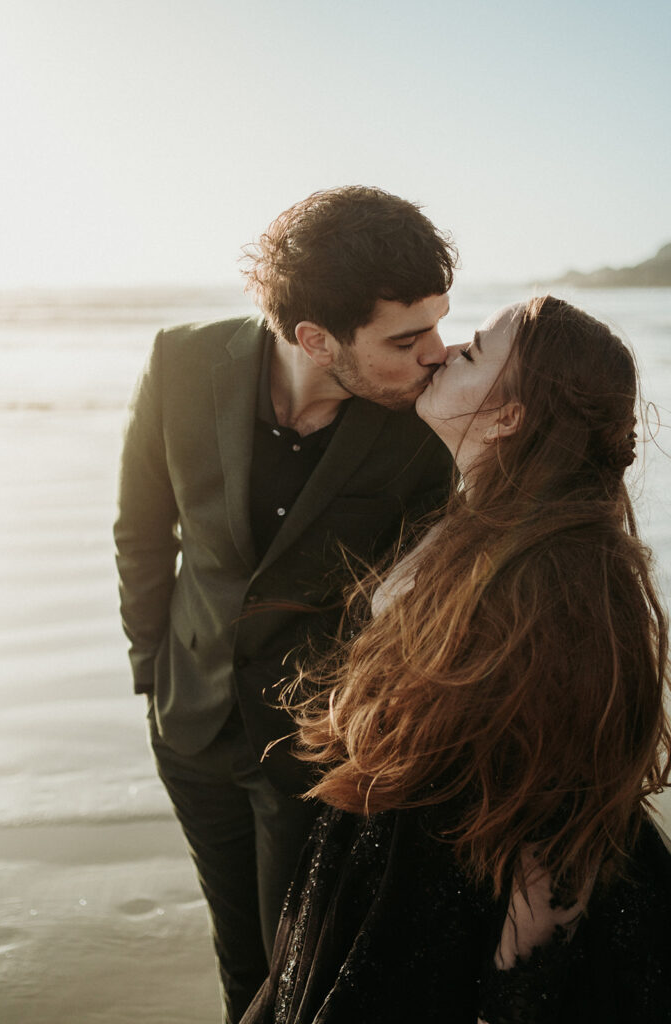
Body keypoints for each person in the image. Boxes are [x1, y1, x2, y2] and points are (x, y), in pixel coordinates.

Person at [242, 296, 671, 1024]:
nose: (441, 354)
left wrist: (513, 993)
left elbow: (558, 830)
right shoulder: (484, 521)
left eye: (470, 353)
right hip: (393, 864)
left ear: (508, 418)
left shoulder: (560, 577)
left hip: (462, 906)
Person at [113, 186, 458, 1023]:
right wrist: (149, 670)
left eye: (439, 324)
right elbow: (143, 531)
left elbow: (421, 606)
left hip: (318, 751)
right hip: (188, 725)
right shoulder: (181, 363)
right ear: (314, 338)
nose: (436, 354)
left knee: (303, 979)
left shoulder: (426, 426)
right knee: (240, 962)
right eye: (407, 338)